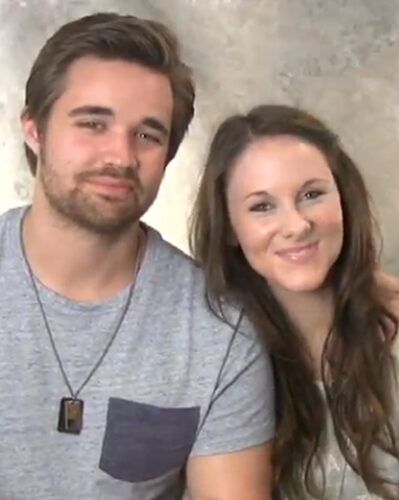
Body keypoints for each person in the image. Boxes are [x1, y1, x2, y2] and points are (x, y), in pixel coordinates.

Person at [0, 12, 274, 499]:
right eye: (93, 123)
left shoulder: (219, 335)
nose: (121, 156)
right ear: (34, 130)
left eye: (147, 135)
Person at [189, 104, 399, 499]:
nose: (296, 225)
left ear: (343, 197)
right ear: (229, 228)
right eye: (262, 206)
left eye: (312, 194)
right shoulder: (214, 343)